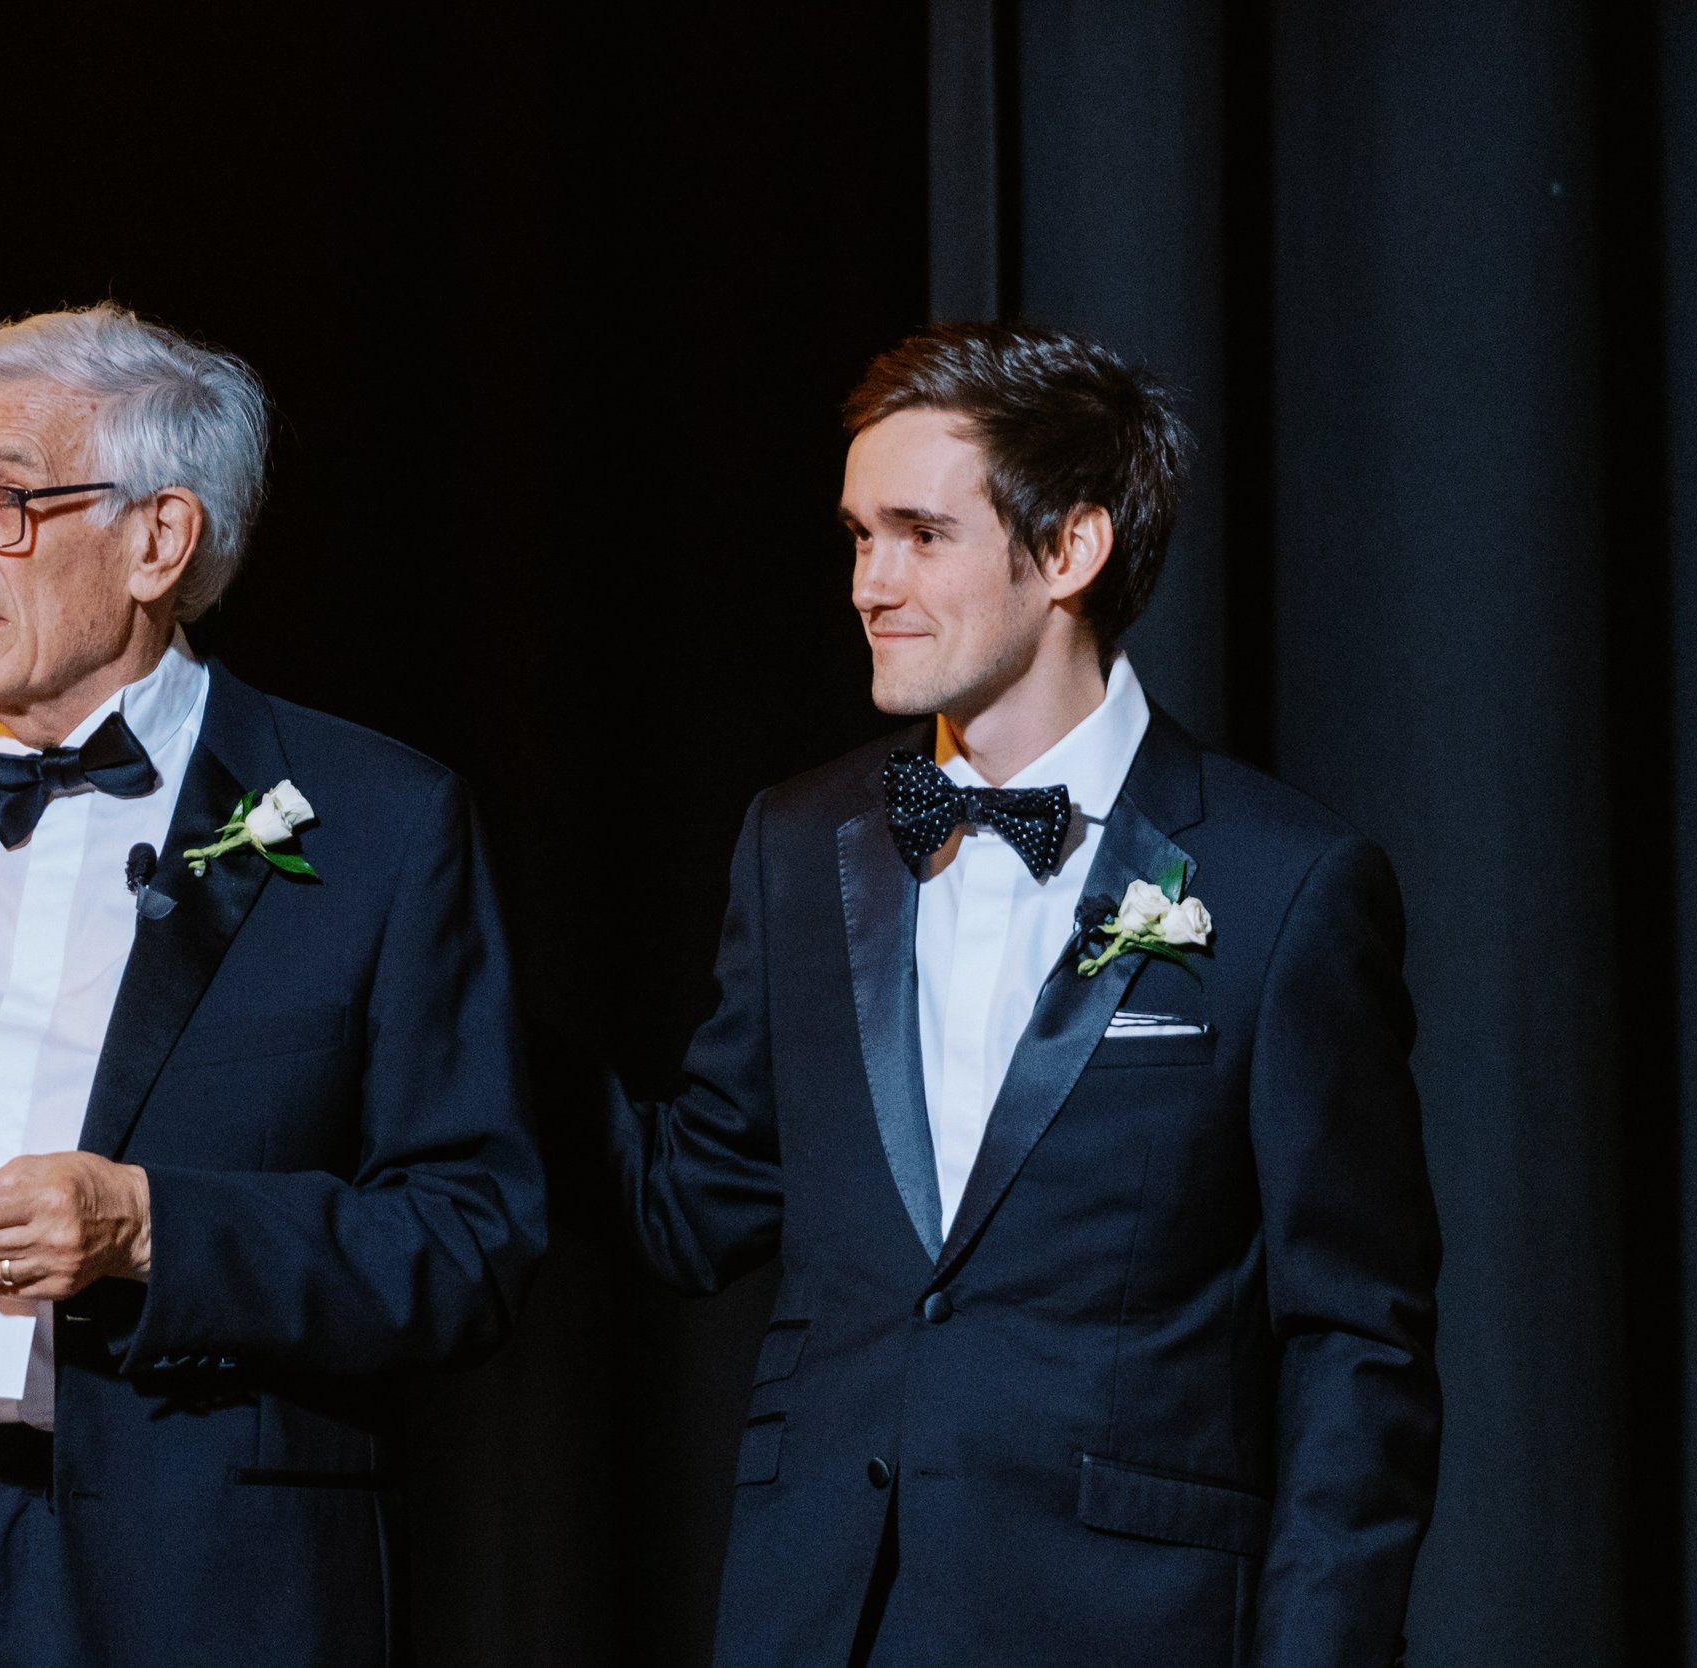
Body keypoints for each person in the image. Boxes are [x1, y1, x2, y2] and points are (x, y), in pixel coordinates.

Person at [0, 303, 543, 1668]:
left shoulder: (375, 819)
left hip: (208, 1582)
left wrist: (148, 1230)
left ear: (157, 541)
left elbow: (470, 1240)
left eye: (4, 503)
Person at [592, 321, 1440, 1666]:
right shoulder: (797, 844)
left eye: (921, 535)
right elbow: (695, 1204)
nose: (870, 582)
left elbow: (1356, 1344)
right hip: (822, 1622)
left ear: (1070, 551)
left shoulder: (1285, 883)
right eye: (859, 535)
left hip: (1125, 1628)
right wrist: (448, 997)